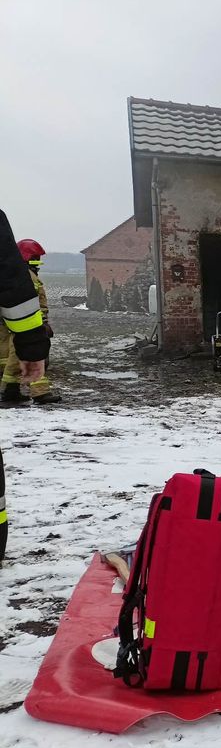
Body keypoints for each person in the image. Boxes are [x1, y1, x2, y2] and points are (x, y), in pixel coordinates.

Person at [0, 210, 52, 561]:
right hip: (18, 330)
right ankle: (35, 391)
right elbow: (19, 298)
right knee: (15, 359)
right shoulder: (23, 276)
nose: (36, 263)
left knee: (9, 361)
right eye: (33, 258)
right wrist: (35, 339)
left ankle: (12, 389)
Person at [0, 238, 59, 405]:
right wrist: (43, 323)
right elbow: (31, 304)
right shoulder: (28, 278)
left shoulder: (21, 275)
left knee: (14, 358)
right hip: (26, 324)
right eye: (36, 258)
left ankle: (9, 391)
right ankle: (40, 393)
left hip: (14, 323)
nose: (39, 262)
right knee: (33, 354)